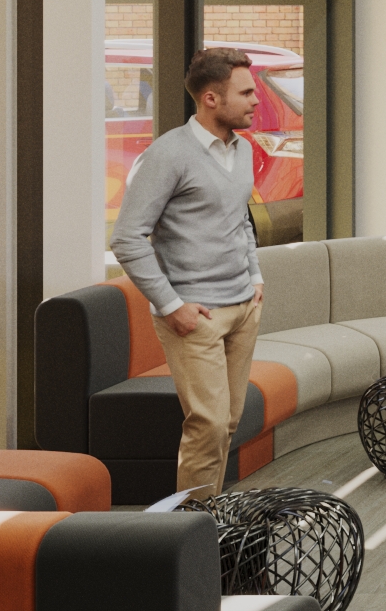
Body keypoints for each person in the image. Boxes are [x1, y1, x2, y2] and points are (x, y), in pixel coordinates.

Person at [110, 47, 270, 499]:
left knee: (227, 425)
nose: (256, 100)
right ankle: (193, 535)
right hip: (195, 315)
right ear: (211, 99)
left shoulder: (241, 149)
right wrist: (171, 305)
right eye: (246, 92)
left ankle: (209, 518)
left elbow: (238, 218)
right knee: (209, 424)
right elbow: (126, 238)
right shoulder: (167, 155)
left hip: (243, 306)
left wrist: (254, 276)